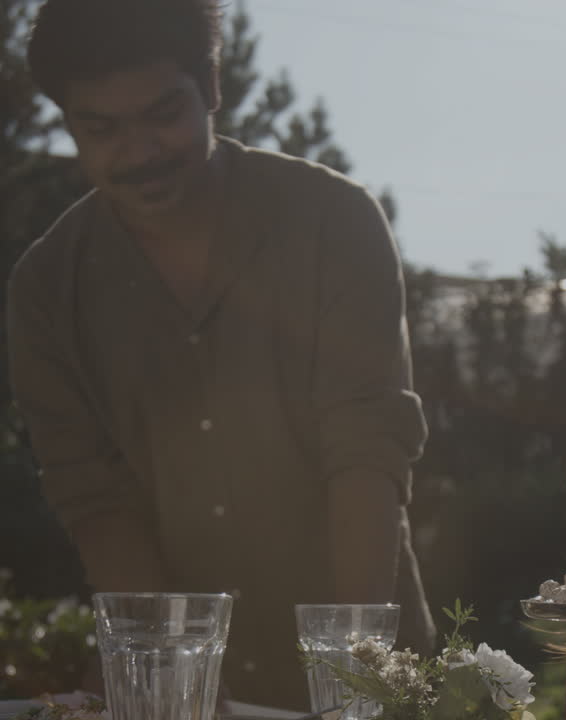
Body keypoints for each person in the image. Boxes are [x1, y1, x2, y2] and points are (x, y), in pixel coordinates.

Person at [8, 0, 435, 708]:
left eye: (162, 113)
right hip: (185, 691)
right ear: (67, 123)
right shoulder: (46, 289)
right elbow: (97, 504)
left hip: (372, 677)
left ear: (210, 84)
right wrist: (172, 688)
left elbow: (366, 456)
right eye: (100, 128)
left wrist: (354, 685)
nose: (139, 151)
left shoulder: (332, 220)